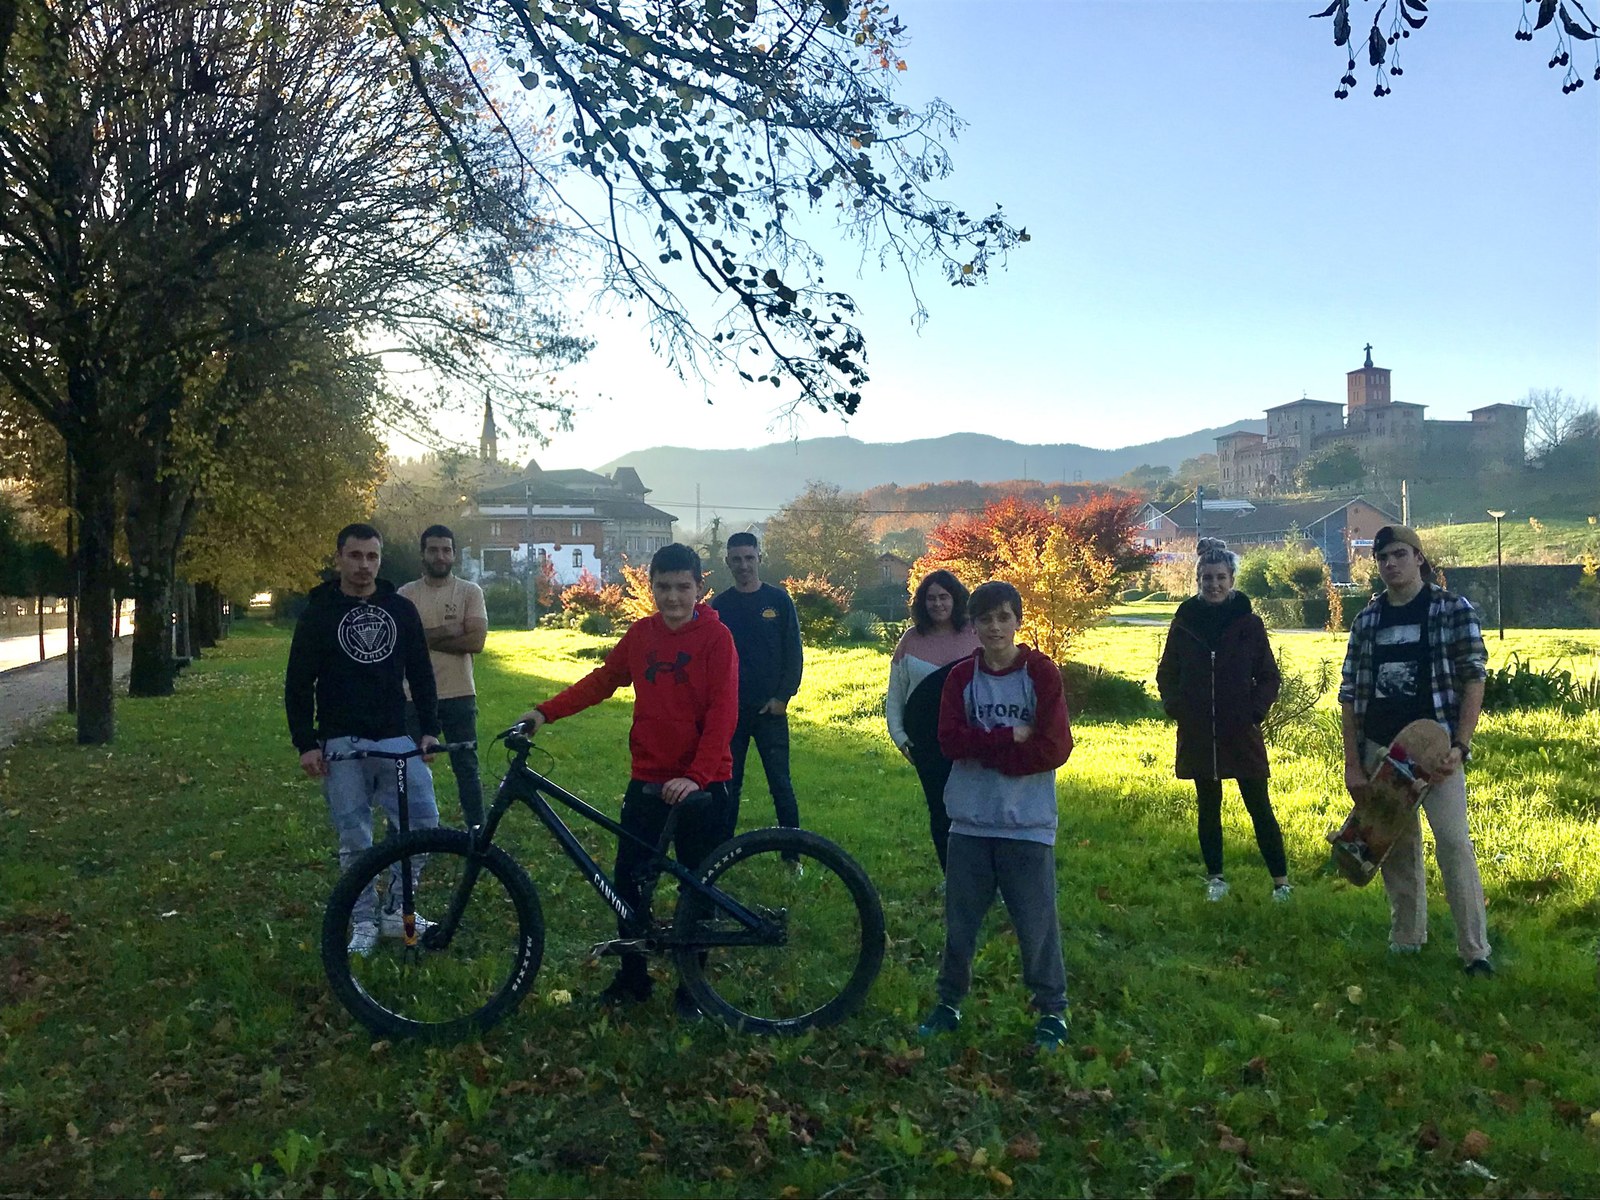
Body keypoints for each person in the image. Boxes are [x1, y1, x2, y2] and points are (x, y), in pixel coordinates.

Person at [516, 543, 739, 1018]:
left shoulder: (717, 640)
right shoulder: (642, 636)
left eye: (683, 587)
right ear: (651, 588)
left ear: (700, 587)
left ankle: (693, 988)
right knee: (628, 882)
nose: (673, 597)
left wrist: (696, 777)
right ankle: (633, 978)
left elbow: (724, 713)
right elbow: (602, 681)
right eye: (663, 587)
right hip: (649, 779)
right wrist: (543, 713)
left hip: (703, 783)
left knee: (696, 887)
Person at [917, 581, 1075, 1051]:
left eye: (1003, 617)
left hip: (1027, 823)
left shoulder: (1041, 674)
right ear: (974, 625)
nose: (994, 627)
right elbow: (948, 742)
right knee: (960, 923)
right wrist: (1009, 738)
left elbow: (1055, 747)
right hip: (968, 820)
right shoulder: (961, 677)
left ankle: (1052, 1011)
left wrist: (985, 746)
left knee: (1036, 923)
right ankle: (948, 1003)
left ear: (1018, 621)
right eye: (985, 619)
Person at [1338, 524, 1492, 976]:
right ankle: (1407, 939)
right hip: (1381, 750)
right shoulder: (1367, 620)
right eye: (1383, 557)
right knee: (1396, 849)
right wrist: (1353, 763)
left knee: (1453, 844)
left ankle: (1475, 951)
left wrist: (1461, 745)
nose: (1390, 564)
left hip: (1434, 751)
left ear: (1419, 558)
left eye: (1399, 555)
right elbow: (1349, 695)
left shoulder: (1451, 609)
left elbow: (1474, 678)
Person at [285, 522, 440, 957]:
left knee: (424, 824)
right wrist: (306, 743)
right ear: (338, 559)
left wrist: (429, 728)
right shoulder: (318, 612)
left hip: (395, 736)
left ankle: (396, 910)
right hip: (342, 742)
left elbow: (422, 673)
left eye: (372, 557)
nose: (364, 566)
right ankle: (364, 921)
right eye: (355, 556)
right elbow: (298, 682)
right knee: (355, 838)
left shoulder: (400, 609)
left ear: (380, 559)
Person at [1156, 538, 1290, 903]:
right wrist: (1175, 706)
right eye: (1206, 578)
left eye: (1220, 578)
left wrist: (1255, 712)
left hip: (1240, 730)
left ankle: (1281, 883)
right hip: (1198, 731)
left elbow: (1269, 676)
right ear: (1197, 580)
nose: (1213, 584)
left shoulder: (1249, 623)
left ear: (1232, 580)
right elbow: (1167, 672)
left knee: (1259, 806)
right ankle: (1215, 878)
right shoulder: (1184, 623)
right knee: (1208, 807)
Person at [884, 570, 981, 872]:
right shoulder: (911, 641)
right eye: (931, 598)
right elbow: (896, 695)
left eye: (944, 597)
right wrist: (900, 738)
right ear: (922, 603)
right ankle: (951, 875)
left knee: (977, 812)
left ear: (956, 598)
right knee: (941, 813)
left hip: (973, 742)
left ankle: (983, 877)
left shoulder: (975, 636)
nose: (937, 603)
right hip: (927, 745)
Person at [711, 532, 804, 842]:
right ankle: (721, 853)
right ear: (728, 563)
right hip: (731, 714)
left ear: (759, 559)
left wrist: (783, 697)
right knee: (728, 784)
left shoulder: (778, 601)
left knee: (780, 784)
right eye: (736, 559)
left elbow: (794, 653)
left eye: (749, 558)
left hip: (771, 712)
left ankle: (792, 855)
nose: (743, 565)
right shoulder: (720, 606)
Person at [399, 525, 487, 828]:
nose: (440, 556)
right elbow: (400, 644)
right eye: (434, 549)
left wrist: (421, 639)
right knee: (410, 769)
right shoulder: (406, 594)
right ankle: (406, 833)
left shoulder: (469, 592)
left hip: (460, 695)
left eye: (446, 549)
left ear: (454, 554)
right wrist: (448, 631)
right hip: (413, 698)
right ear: (423, 553)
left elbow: (476, 642)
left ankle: (477, 832)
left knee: (467, 768)